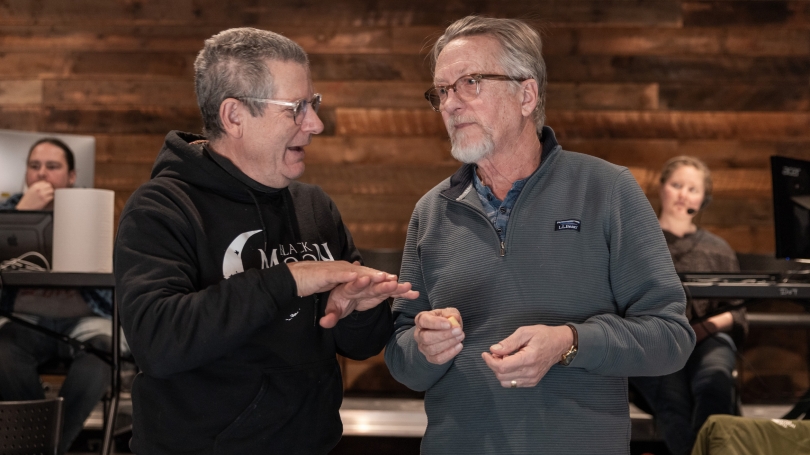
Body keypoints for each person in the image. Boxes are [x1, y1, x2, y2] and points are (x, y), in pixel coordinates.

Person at [383, 16, 696, 454]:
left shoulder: (607, 190)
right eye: (442, 91)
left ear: (526, 94)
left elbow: (670, 339)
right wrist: (422, 348)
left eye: (470, 82)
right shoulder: (430, 212)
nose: (450, 104)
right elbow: (402, 361)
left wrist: (569, 342)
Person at [113, 27, 418, 455]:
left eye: (313, 104)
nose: (315, 124)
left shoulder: (314, 206)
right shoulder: (162, 206)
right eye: (296, 108)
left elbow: (360, 344)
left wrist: (361, 310)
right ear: (234, 116)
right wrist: (287, 280)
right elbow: (158, 342)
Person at [0, 138, 114, 454]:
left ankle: (44, 447)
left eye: (52, 167)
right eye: (34, 166)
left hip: (84, 320)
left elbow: (108, 290)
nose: (42, 174)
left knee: (102, 357)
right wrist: (23, 215)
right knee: (3, 352)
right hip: (26, 322)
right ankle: (37, 440)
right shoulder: (6, 213)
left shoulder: (90, 211)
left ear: (72, 176)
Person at [629, 156, 747, 455]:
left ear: (703, 199)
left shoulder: (718, 249)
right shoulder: (636, 241)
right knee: (673, 402)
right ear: (662, 188)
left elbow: (737, 311)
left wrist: (706, 327)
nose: (683, 195)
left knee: (714, 386)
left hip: (708, 338)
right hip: (654, 339)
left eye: (692, 189)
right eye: (677, 185)